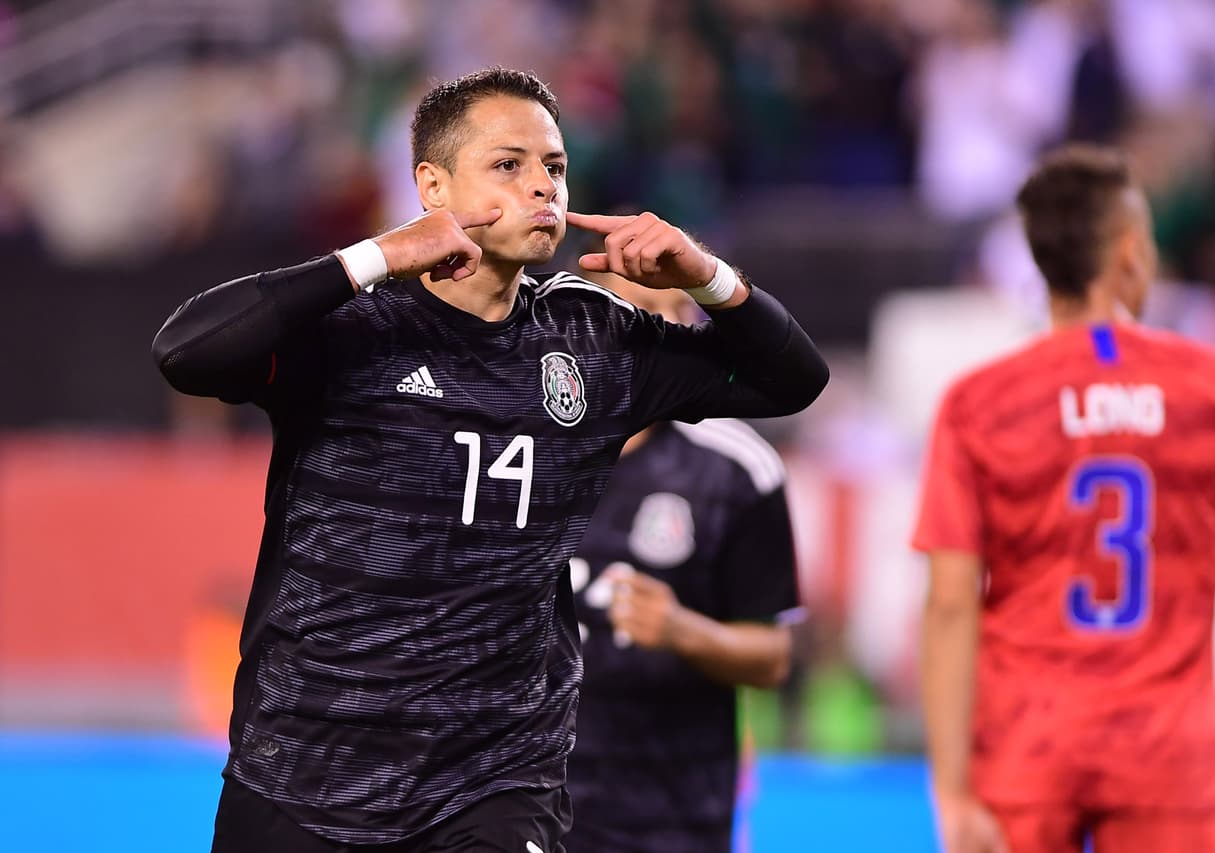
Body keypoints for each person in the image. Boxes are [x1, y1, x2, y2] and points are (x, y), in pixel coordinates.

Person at [151, 67, 827, 853]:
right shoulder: (349, 329)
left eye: (555, 167)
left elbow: (793, 379)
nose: (543, 186)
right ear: (432, 185)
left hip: (495, 784)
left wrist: (706, 279)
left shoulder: (593, 340)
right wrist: (376, 255)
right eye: (510, 165)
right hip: (302, 770)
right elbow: (184, 352)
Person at [913, 143, 1215, 853]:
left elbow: (952, 601)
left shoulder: (980, 401)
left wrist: (953, 789)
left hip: (1028, 747)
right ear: (1133, 252)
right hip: (1172, 752)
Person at [565, 276, 801, 853]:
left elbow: (773, 658)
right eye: (646, 309)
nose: (671, 328)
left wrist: (680, 631)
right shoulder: (519, 442)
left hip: (673, 815)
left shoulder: (735, 467)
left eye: (681, 311)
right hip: (522, 803)